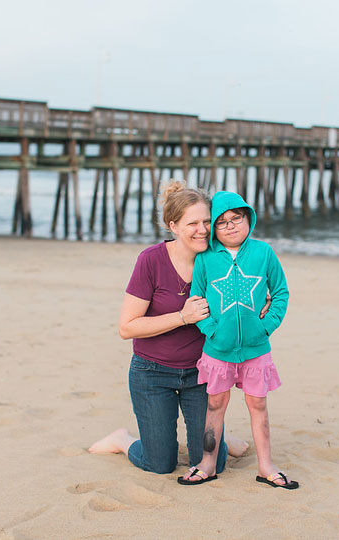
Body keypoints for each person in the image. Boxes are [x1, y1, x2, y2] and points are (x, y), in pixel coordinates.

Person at [88, 182, 249, 473]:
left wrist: (259, 302)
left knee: (213, 462)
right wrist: (182, 316)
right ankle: (123, 440)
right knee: (160, 464)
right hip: (152, 373)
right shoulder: (151, 260)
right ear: (173, 226)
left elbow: (251, 289)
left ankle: (222, 440)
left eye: (207, 222)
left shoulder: (221, 258)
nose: (202, 230)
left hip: (202, 372)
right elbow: (127, 327)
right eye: (193, 223)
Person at [178, 191, 299, 489]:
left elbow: (280, 293)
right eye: (222, 223)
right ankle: (207, 464)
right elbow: (197, 297)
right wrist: (212, 330)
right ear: (214, 229)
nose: (231, 226)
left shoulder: (263, 253)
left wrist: (266, 327)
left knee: (258, 405)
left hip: (256, 350)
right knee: (215, 405)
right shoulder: (205, 259)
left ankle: (266, 466)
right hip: (218, 349)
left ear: (248, 219)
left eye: (237, 219)